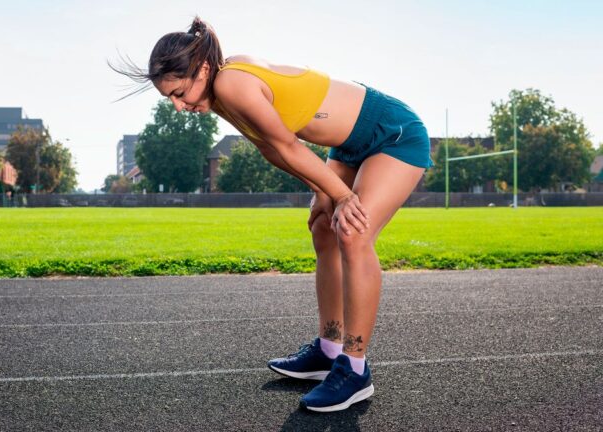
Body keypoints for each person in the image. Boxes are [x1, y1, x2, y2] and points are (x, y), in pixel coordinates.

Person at [111, 17, 433, 413]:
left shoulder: (231, 83)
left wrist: (341, 195)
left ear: (203, 69)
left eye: (179, 93)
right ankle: (329, 349)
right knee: (322, 229)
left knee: (352, 232)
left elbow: (286, 142)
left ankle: (355, 368)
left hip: (392, 132)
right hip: (348, 146)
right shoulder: (220, 96)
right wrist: (323, 190)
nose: (179, 106)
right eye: (170, 99)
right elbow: (270, 148)